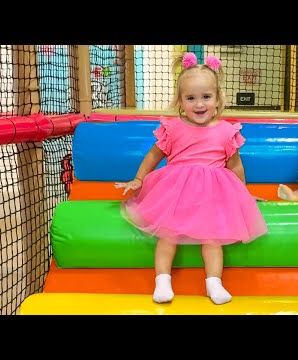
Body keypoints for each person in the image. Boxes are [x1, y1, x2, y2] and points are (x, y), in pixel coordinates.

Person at [115, 52, 268, 305]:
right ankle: (162, 280)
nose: (199, 104)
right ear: (180, 103)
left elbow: (235, 165)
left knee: (212, 239)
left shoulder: (226, 131)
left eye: (206, 97)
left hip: (212, 196)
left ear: (218, 100)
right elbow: (154, 155)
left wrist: (243, 193)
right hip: (176, 194)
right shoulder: (173, 128)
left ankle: (214, 283)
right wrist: (139, 179)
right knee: (168, 235)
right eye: (191, 98)